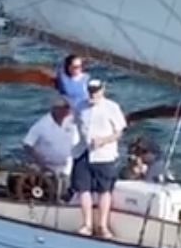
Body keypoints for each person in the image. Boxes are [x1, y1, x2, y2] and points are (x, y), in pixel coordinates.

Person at [70, 78, 126, 239]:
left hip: (104, 154)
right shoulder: (81, 107)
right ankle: (87, 224)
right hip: (83, 152)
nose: (93, 94)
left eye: (96, 91)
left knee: (104, 190)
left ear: (103, 90)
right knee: (83, 189)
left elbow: (119, 132)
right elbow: (77, 126)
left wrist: (104, 140)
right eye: (91, 91)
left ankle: (102, 225)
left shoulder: (111, 107)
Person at [19, 96, 79, 201]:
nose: (67, 111)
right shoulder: (42, 125)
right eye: (64, 108)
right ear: (55, 109)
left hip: (70, 165)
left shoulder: (73, 121)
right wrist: (39, 160)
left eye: (68, 108)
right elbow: (27, 144)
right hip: (48, 168)